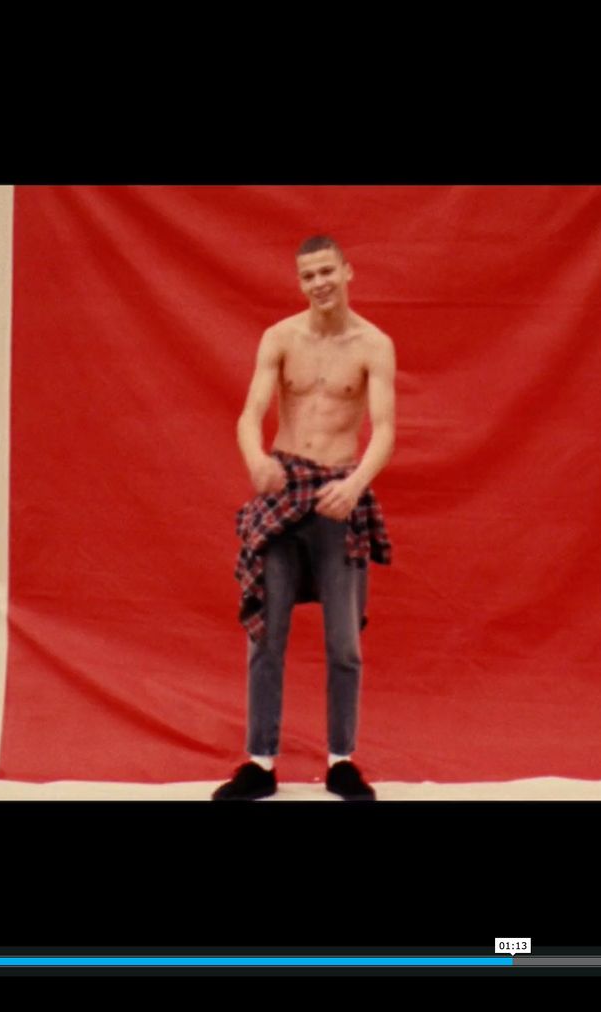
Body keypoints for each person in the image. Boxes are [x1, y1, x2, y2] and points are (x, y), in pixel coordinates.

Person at [214, 235, 396, 802]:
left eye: (326, 272)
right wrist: (256, 460)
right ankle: (260, 763)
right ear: (300, 282)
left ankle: (342, 760)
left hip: (340, 494)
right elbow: (250, 414)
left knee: (345, 642)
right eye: (307, 275)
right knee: (267, 636)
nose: (318, 283)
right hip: (284, 489)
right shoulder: (280, 338)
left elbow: (386, 429)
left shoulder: (374, 345)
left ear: (348, 272)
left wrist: (355, 484)